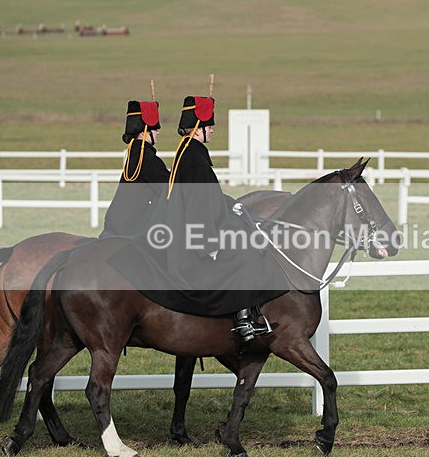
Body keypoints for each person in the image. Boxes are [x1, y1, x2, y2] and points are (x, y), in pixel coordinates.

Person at [161, 95, 288, 342]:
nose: (212, 130)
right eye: (209, 126)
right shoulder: (194, 156)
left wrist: (233, 205)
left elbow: (209, 195)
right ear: (199, 128)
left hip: (196, 229)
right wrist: (209, 244)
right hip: (197, 237)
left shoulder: (190, 150)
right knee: (248, 253)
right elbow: (198, 205)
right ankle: (243, 321)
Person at [100, 100, 170, 238]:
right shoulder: (147, 159)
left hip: (116, 225)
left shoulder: (134, 155)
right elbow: (170, 189)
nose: (158, 132)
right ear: (145, 132)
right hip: (132, 230)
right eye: (155, 129)